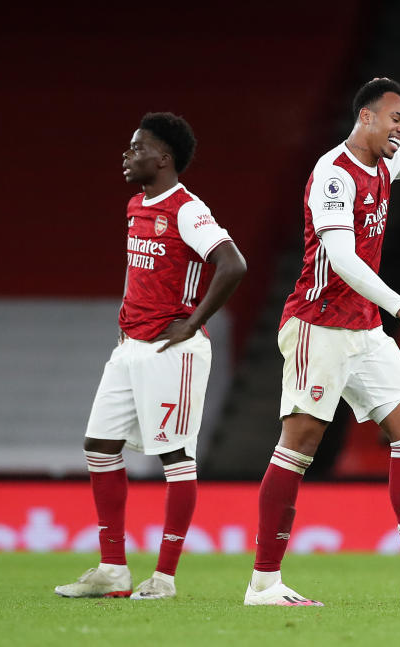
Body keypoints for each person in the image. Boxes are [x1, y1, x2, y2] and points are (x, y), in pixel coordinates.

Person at [243, 78, 400, 607]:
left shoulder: (386, 164)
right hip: (319, 323)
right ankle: (263, 583)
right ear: (365, 118)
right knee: (299, 445)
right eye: (395, 119)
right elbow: (345, 260)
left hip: (364, 329)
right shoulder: (335, 175)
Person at [55, 112, 246, 600]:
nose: (127, 155)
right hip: (129, 347)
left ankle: (164, 576)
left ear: (163, 159)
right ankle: (112, 569)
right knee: (99, 446)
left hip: (171, 351)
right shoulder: (135, 206)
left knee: (175, 457)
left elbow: (232, 263)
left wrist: (193, 320)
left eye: (137, 148)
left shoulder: (187, 209)